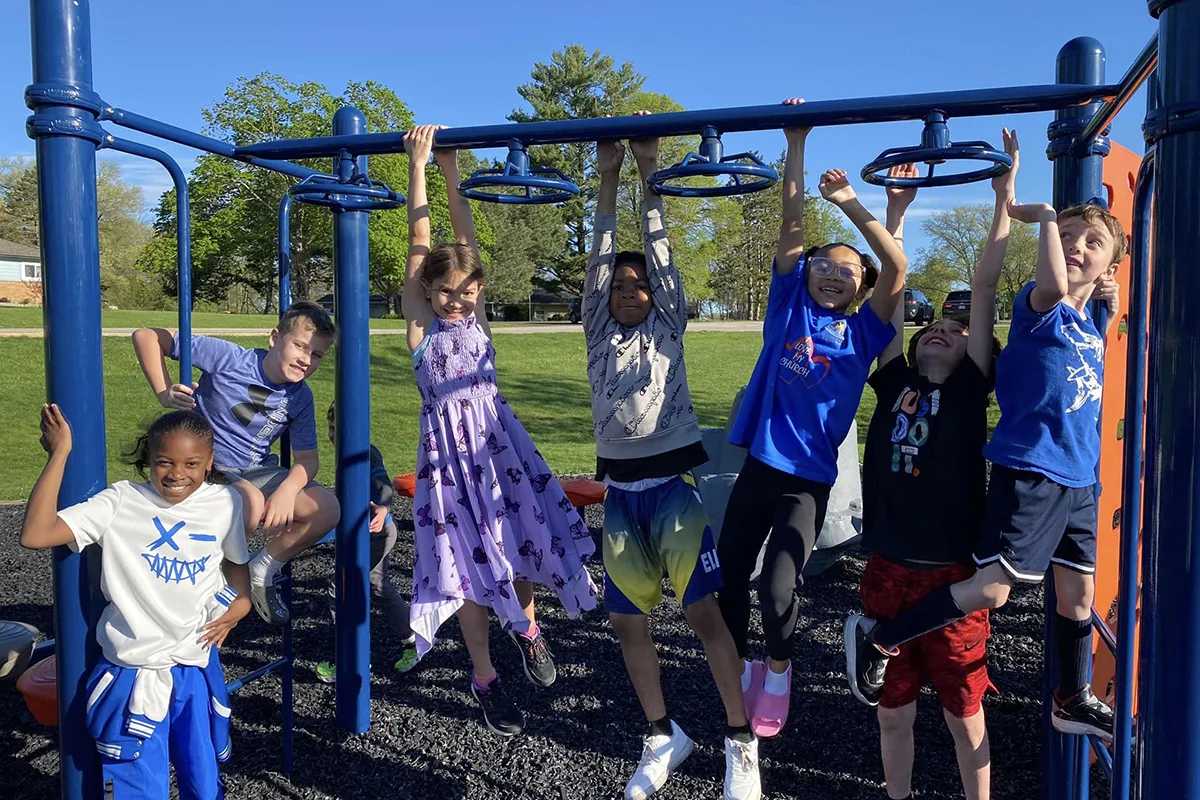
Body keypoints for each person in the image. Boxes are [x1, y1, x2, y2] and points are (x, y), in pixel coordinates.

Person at [845, 152, 1125, 744]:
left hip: (1078, 478)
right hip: (1032, 469)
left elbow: (1097, 320)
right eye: (1067, 236)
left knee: (1079, 594)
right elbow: (983, 284)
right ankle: (881, 638)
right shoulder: (1038, 308)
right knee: (996, 590)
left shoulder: (1083, 321)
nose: (1074, 244)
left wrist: (1111, 296)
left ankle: (1072, 695)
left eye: (1090, 240)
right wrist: (1020, 207)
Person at [715, 97, 909, 739]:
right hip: (761, 466)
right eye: (822, 266)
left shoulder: (862, 337)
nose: (830, 274)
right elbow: (792, 227)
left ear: (861, 287)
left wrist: (860, 205)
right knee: (727, 580)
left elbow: (898, 270)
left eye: (847, 271)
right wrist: (794, 142)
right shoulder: (787, 312)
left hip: (807, 481)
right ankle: (744, 663)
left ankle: (778, 666)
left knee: (778, 590)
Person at [585, 117, 761, 800]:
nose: (629, 291)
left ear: (656, 296)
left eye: (639, 286)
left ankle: (741, 743)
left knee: (703, 617)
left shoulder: (667, 325)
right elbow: (603, 256)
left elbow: (658, 258)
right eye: (620, 287)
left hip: (672, 492)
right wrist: (605, 178)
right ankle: (663, 734)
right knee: (630, 623)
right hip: (622, 497)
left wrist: (647, 176)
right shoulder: (599, 329)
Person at [402, 124, 598, 737]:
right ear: (427, 292)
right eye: (443, 294)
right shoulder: (421, 328)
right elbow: (421, 240)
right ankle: (484, 678)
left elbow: (465, 238)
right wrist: (419, 165)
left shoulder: (476, 315)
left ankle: (530, 631)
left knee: (517, 544)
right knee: (461, 568)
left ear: (478, 291)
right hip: (448, 459)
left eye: (465, 294)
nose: (454, 303)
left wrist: (453, 174)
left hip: (496, 448)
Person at [856, 135, 1016, 800]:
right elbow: (891, 294)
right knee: (892, 710)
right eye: (932, 331)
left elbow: (980, 288)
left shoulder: (971, 384)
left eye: (954, 331)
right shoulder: (892, 380)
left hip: (953, 577)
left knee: (963, 711)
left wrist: (1002, 199)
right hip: (889, 566)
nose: (941, 332)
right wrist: (895, 215)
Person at [21, 406, 250, 799]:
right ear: (148, 460)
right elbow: (36, 533)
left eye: (191, 463)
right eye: (164, 462)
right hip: (133, 673)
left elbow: (235, 566)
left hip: (195, 666)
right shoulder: (121, 502)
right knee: (135, 787)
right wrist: (59, 453)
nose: (177, 474)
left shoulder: (225, 502)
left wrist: (239, 606)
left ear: (209, 462)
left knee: (203, 780)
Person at [131, 302, 342, 627]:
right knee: (250, 502)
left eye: (317, 355)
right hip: (207, 465)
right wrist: (163, 391)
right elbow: (146, 336)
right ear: (275, 338)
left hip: (255, 470)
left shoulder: (299, 397)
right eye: (300, 346)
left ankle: (263, 568)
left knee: (326, 507)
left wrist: (288, 488)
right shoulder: (231, 358)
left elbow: (308, 460)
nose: (305, 360)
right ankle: (207, 582)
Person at [315, 403, 418, 683]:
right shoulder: (343, 453)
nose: (334, 435)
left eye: (341, 429)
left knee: (340, 587)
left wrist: (383, 507)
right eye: (332, 428)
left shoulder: (366, 452)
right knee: (379, 587)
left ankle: (349, 657)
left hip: (375, 531)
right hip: (363, 531)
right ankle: (412, 641)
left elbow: (384, 484)